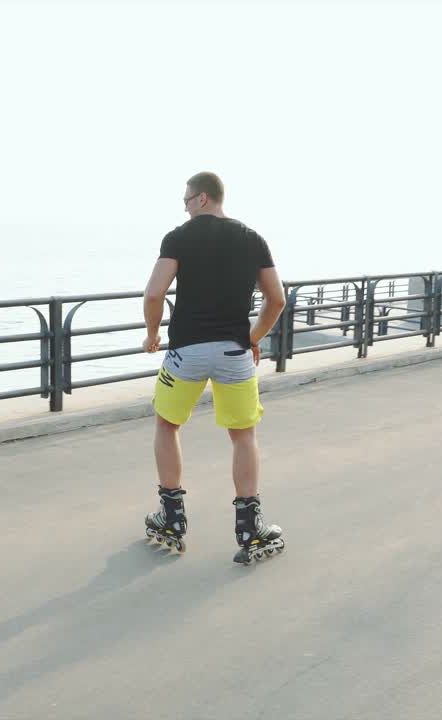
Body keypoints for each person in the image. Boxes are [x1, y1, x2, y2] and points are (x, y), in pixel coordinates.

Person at [140, 171, 287, 564]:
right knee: (243, 436)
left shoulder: (178, 238)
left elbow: (155, 292)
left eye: (186, 200)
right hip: (235, 354)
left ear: (203, 198)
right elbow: (276, 300)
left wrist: (152, 335)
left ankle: (172, 517)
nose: (185, 207)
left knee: (167, 425)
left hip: (186, 351)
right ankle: (249, 527)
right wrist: (253, 339)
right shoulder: (253, 239)